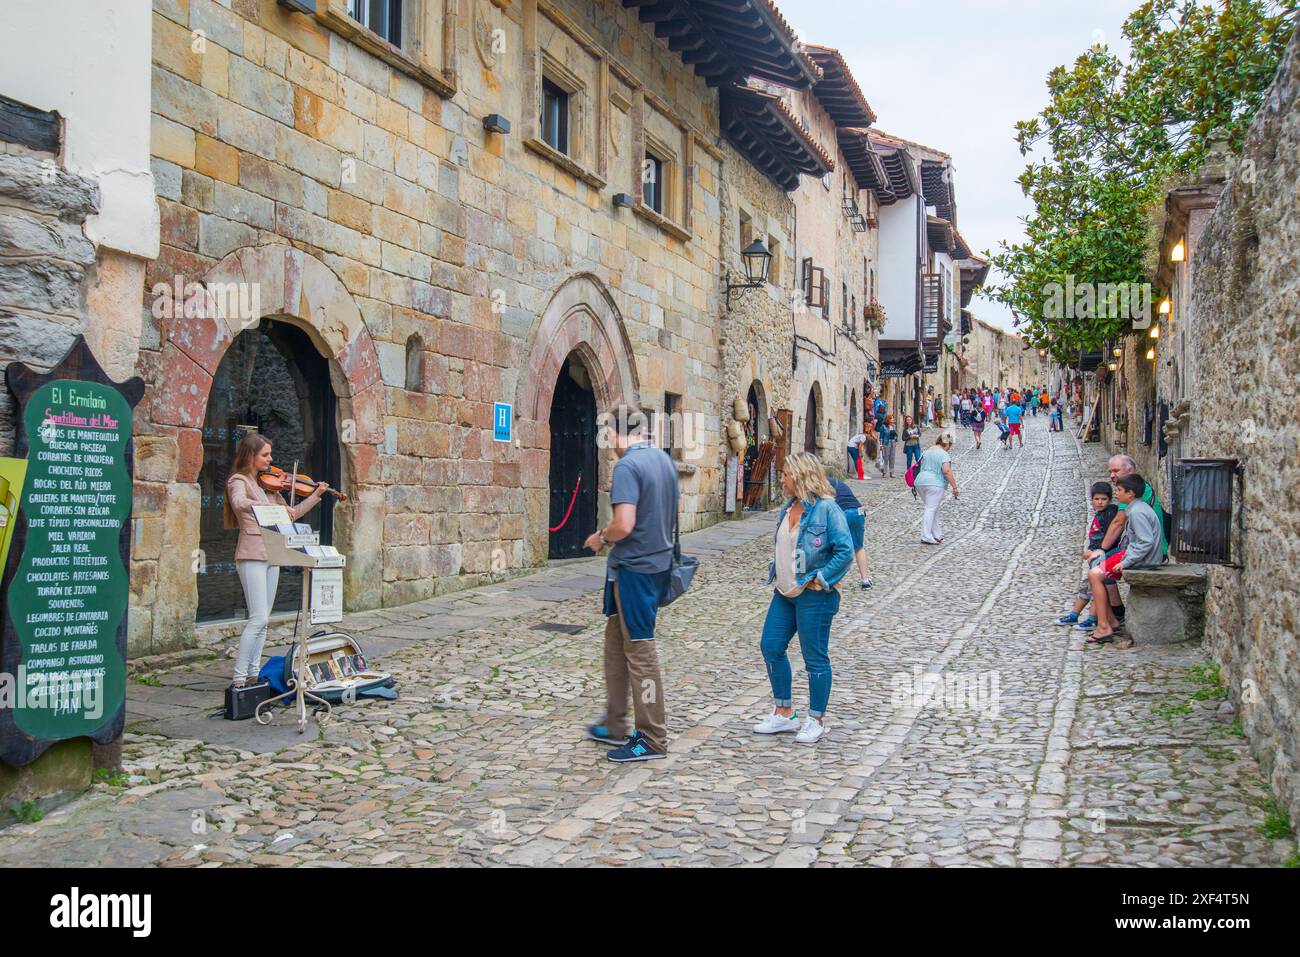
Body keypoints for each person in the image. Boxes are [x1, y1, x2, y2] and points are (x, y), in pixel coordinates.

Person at [584, 412, 679, 762]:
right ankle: (614, 723)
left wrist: (601, 538)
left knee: (641, 653)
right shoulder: (664, 461)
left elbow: (624, 524)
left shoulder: (627, 467)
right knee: (616, 644)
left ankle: (652, 737)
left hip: (636, 570)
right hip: (655, 566)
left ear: (614, 433)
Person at [753, 452, 854, 744]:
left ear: (798, 475)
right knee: (771, 646)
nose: (781, 478)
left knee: (814, 657)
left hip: (813, 597)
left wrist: (820, 578)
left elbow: (844, 550)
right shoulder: (789, 507)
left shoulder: (826, 509)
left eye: (784, 473)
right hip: (784, 593)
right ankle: (784, 712)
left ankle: (816, 718)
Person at [224, 433, 328, 688]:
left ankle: (253, 673)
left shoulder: (269, 487)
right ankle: (238, 678)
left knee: (264, 620)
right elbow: (239, 502)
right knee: (257, 618)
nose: (270, 460)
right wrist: (270, 509)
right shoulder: (240, 481)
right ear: (250, 456)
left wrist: (316, 495)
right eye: (265, 455)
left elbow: (291, 515)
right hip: (251, 554)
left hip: (272, 554)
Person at [1086, 474, 1164, 644]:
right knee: (1095, 567)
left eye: (1120, 490)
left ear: (1130, 494)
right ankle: (1110, 620)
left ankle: (1104, 625)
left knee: (1094, 575)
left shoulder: (1137, 513)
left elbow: (1146, 542)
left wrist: (1125, 562)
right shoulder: (1137, 508)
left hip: (1143, 560)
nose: (1117, 494)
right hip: (1137, 555)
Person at [1054, 482, 1120, 628]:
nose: (1100, 502)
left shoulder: (1110, 513)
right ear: (1092, 499)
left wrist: (1096, 551)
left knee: (1094, 586)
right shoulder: (1101, 515)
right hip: (1095, 557)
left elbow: (1111, 536)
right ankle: (1077, 615)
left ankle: (1089, 618)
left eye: (1103, 499)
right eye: (1096, 499)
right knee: (1089, 586)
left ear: (1109, 499)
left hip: (1103, 557)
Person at [915, 429, 959, 545]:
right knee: (930, 508)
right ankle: (926, 535)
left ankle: (937, 534)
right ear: (948, 444)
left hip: (920, 481)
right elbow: (946, 471)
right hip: (935, 483)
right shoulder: (944, 454)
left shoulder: (927, 451)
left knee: (933, 507)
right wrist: (954, 487)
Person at [830, 476, 873, 589]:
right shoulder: (836, 481)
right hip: (858, 511)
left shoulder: (820, 484)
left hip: (843, 513)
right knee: (858, 547)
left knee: (836, 548)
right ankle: (865, 580)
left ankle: (833, 580)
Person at [878, 414, 898, 478]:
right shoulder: (883, 427)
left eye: (893, 418)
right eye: (891, 418)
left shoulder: (894, 426)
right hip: (886, 443)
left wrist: (895, 438)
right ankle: (884, 472)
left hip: (893, 442)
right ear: (888, 419)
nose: (893, 419)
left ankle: (891, 472)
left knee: (892, 457)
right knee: (886, 457)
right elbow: (881, 437)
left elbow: (895, 434)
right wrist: (881, 445)